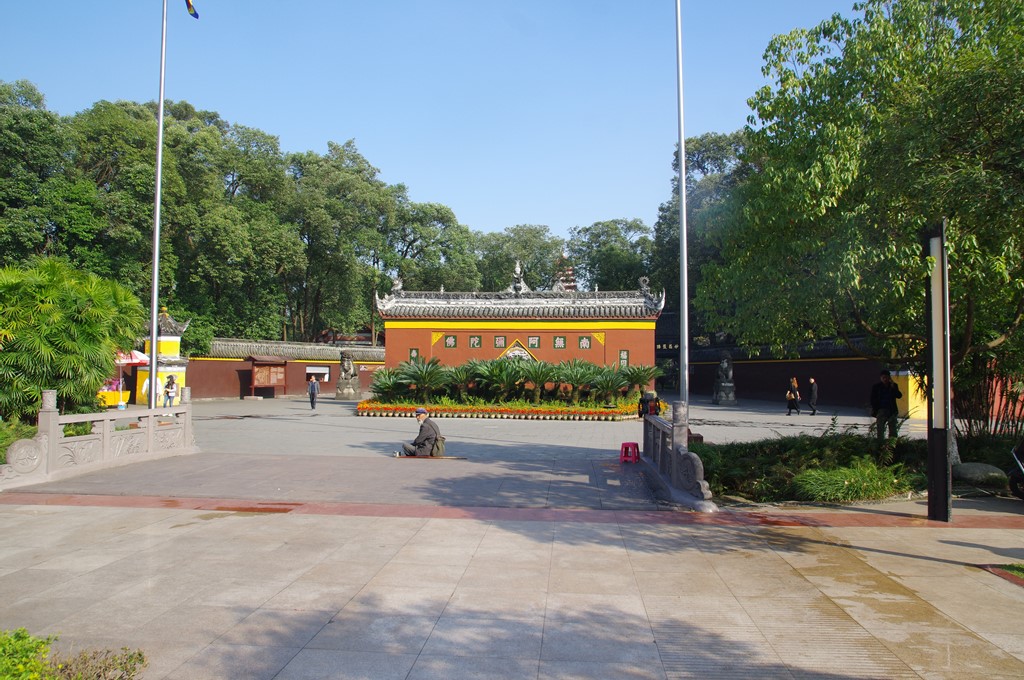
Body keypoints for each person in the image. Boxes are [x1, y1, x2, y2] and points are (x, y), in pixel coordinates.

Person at [870, 369, 903, 446]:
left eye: (886, 377)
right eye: (883, 378)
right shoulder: (876, 387)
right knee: (880, 429)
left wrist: (893, 387)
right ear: (881, 378)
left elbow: (899, 396)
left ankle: (892, 445)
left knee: (893, 429)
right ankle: (880, 444)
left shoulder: (894, 386)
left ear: (889, 378)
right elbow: (872, 399)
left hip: (892, 410)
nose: (885, 379)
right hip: (881, 410)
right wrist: (875, 409)